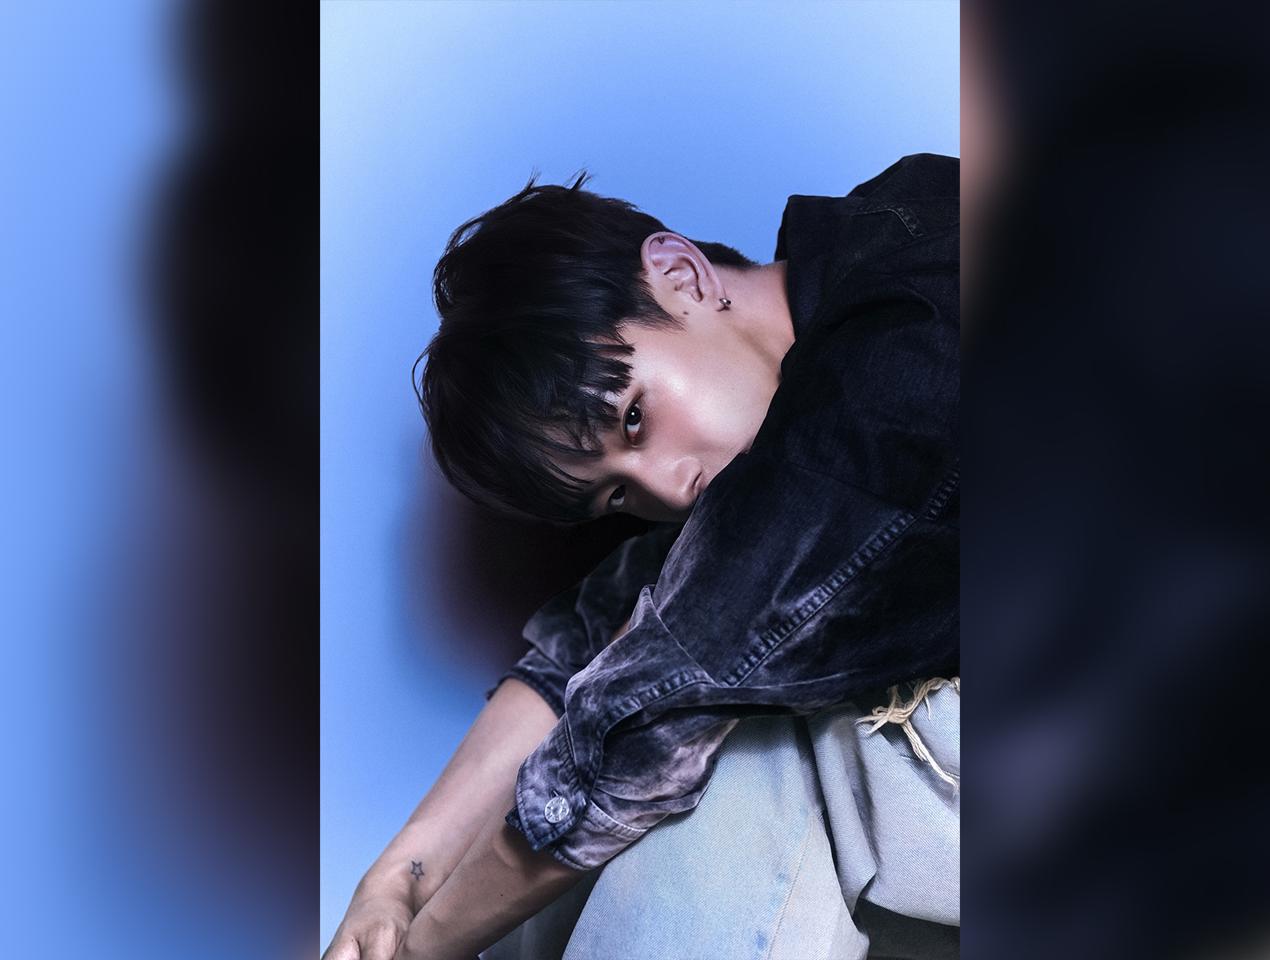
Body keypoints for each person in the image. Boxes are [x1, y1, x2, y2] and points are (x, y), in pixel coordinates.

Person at [322, 153, 959, 960]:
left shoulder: (906, 338)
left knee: (728, 748)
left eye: (632, 419)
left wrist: (426, 949)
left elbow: (660, 694)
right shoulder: (817, 357)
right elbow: (603, 633)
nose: (669, 485)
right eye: (617, 496)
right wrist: (395, 882)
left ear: (682, 275)